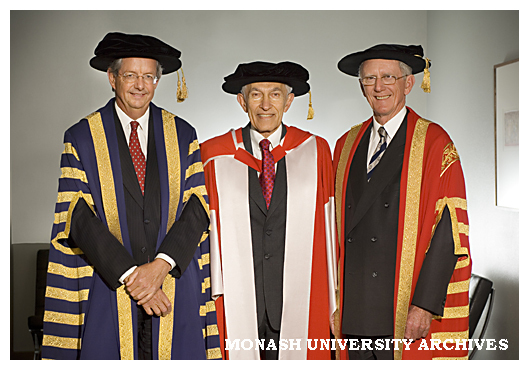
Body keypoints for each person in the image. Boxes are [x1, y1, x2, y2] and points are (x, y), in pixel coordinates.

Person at [41, 32, 221, 360]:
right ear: (112, 78)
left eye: (148, 76)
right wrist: (133, 277)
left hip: (172, 284)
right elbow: (77, 216)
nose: (140, 85)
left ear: (158, 80)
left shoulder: (182, 134)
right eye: (130, 75)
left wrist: (160, 267)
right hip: (110, 285)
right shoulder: (83, 136)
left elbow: (197, 209)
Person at [333, 44, 472, 360]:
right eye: (369, 79)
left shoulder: (434, 142)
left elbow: (449, 229)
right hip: (353, 309)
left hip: (400, 308)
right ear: (361, 86)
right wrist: (333, 300)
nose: (378, 87)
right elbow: (330, 229)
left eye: (387, 77)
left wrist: (424, 306)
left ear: (408, 84)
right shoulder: (345, 145)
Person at [201, 61, 337, 360]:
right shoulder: (213, 155)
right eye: (255, 95)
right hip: (237, 301)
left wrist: (334, 300)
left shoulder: (316, 151)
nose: (265, 105)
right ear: (242, 101)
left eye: (275, 95)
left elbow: (330, 232)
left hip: (299, 301)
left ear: (289, 101)